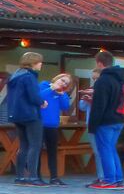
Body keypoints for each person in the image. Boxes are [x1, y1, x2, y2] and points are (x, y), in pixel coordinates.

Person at [85, 50, 124, 190]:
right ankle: (117, 178)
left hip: (106, 121)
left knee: (105, 150)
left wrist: (92, 125)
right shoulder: (120, 79)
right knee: (111, 149)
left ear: (99, 63)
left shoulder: (102, 81)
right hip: (119, 119)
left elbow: (99, 106)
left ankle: (109, 180)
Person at [5, 52, 44, 185]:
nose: (41, 64)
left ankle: (20, 177)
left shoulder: (15, 76)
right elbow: (33, 96)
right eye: (39, 62)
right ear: (33, 63)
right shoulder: (29, 77)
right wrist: (42, 102)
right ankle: (33, 177)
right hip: (31, 114)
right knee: (35, 145)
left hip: (16, 114)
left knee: (23, 146)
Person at [40, 74, 75, 186]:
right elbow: (38, 97)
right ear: (57, 78)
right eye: (62, 80)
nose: (63, 83)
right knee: (37, 150)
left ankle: (54, 177)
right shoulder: (44, 85)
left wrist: (62, 94)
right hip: (39, 124)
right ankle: (36, 176)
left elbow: (65, 107)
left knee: (52, 152)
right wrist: (52, 88)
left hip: (53, 125)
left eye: (66, 83)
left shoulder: (62, 93)